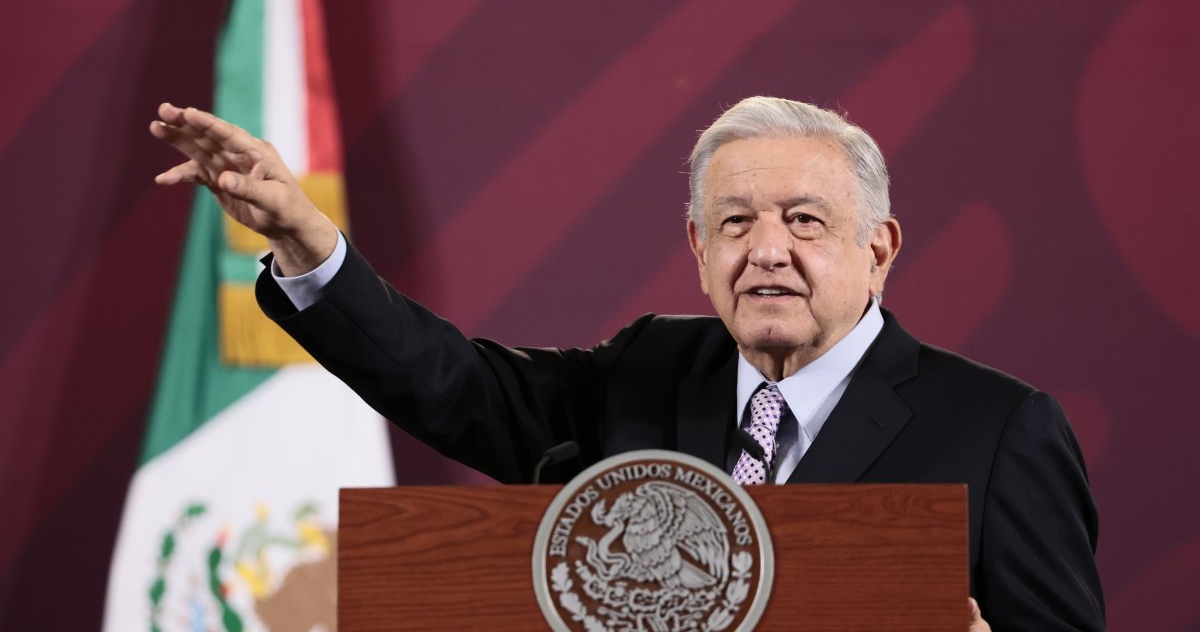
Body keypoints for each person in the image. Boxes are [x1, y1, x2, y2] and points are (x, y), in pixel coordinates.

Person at [151, 97, 1102, 631]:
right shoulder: (648, 366)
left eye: (805, 221)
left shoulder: (1000, 431)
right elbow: (455, 385)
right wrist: (313, 247)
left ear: (880, 248)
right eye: (735, 223)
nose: (767, 250)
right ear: (697, 248)